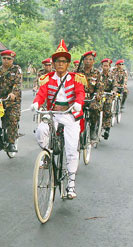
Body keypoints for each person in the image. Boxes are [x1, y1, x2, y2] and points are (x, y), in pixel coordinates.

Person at [31, 39, 86, 199]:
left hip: (70, 115)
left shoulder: (76, 78)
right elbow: (42, 94)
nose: (60, 64)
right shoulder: (47, 78)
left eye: (63, 61)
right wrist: (36, 103)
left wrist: (78, 103)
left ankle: (71, 184)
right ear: (53, 63)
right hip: (53, 114)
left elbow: (80, 93)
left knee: (71, 149)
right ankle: (46, 155)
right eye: (57, 61)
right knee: (41, 130)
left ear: (68, 63)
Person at [77, 51, 104, 140]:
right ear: (83, 61)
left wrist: (98, 95)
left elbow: (100, 86)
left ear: (93, 61)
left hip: (91, 98)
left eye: (90, 59)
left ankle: (93, 128)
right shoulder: (77, 71)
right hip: (79, 98)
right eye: (86, 59)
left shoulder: (97, 73)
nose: (88, 61)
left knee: (95, 108)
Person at [100, 58, 114, 139]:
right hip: (99, 94)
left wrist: (114, 91)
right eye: (104, 66)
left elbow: (114, 85)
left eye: (107, 66)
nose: (105, 67)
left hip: (108, 94)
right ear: (102, 66)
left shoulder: (112, 76)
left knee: (107, 108)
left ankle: (107, 128)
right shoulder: (98, 75)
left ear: (109, 67)